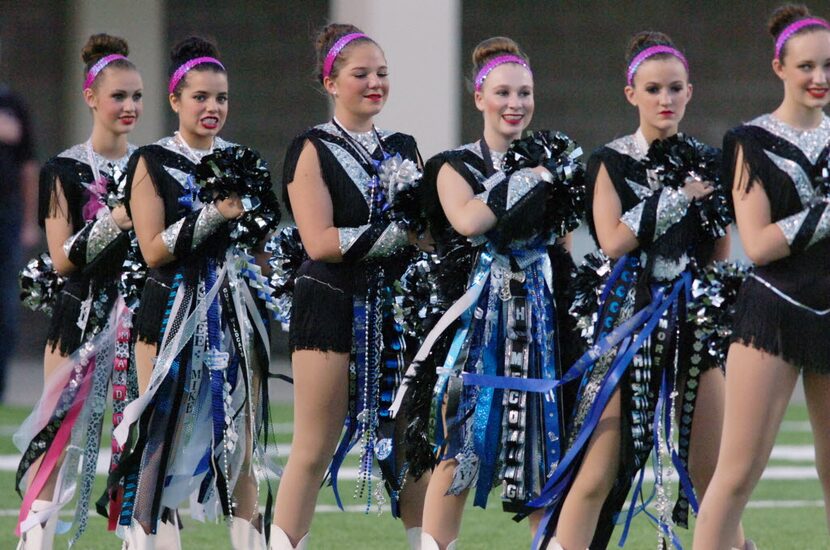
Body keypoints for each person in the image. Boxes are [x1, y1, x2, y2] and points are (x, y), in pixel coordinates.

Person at [533, 31, 743, 549]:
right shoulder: (609, 161)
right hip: (628, 325)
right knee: (599, 468)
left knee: (714, 477)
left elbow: (718, 253)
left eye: (674, 89)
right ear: (632, 94)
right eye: (653, 89)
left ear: (690, 92)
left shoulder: (709, 160)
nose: (665, 100)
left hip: (694, 325)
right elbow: (612, 240)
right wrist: (677, 196)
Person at [397, 36, 585, 550]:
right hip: (475, 327)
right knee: (461, 450)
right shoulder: (451, 165)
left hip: (540, 328)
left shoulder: (555, 163)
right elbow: (469, 218)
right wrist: (535, 176)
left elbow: (562, 250)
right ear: (479, 97)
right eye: (502, 92)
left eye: (524, 93)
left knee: (546, 451)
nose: (515, 104)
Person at [110, 35, 279, 549]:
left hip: (235, 312)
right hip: (168, 312)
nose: (212, 108)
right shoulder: (150, 161)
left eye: (221, 98)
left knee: (243, 444)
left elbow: (263, 232)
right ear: (175, 100)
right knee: (162, 436)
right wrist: (215, 214)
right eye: (201, 97)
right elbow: (154, 250)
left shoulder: (242, 159)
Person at [270, 23, 431, 550]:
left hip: (396, 307)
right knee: (314, 446)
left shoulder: (404, 146)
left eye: (382, 73)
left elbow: (426, 232)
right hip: (329, 302)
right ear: (331, 82)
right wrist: (399, 233)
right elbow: (319, 242)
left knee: (410, 441)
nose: (374, 83)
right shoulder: (310, 148)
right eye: (360, 74)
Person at [694, 5, 830, 549]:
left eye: (827, 66)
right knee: (737, 474)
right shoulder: (748, 139)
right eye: (806, 67)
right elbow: (758, 243)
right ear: (780, 67)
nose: (819, 78)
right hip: (773, 309)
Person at [14, 33, 142, 549]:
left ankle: (141, 538)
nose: (130, 106)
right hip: (81, 314)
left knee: (137, 435)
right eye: (119, 96)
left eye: (137, 96)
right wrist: (116, 217)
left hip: (141, 314)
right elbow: (63, 256)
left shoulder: (149, 165)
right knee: (57, 435)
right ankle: (34, 541)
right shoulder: (62, 170)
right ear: (91, 97)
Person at [0, 85, 38, 401]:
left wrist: (28, 222)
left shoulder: (12, 103)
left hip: (6, 220)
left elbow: (28, 166)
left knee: (6, 310)